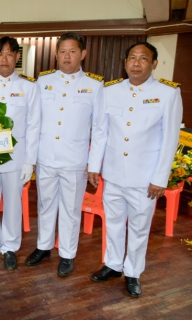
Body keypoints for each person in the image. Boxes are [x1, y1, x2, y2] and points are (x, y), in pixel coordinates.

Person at [88, 42, 182, 297]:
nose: (136, 63)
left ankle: (133, 273)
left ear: (153, 64)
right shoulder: (110, 91)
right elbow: (101, 131)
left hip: (145, 178)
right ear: (125, 62)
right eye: (132, 57)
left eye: (143, 58)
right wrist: (94, 166)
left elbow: (170, 139)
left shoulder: (168, 93)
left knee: (139, 227)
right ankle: (113, 264)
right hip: (114, 173)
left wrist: (160, 178)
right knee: (115, 223)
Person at [25, 33, 104, 276]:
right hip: (46, 156)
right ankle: (43, 246)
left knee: (70, 209)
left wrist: (94, 164)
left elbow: (100, 128)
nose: (66, 56)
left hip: (75, 160)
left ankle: (68, 254)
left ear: (83, 54)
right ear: (56, 54)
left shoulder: (94, 85)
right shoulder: (43, 81)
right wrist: (31, 158)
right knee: (46, 204)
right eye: (62, 51)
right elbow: (34, 122)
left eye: (72, 51)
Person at [0, 36, 41, 270]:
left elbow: (34, 125)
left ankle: (10, 247)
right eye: (0, 54)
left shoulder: (29, 87)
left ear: (17, 57)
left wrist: (29, 162)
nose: (5, 59)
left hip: (16, 157)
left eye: (10, 54)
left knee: (13, 203)